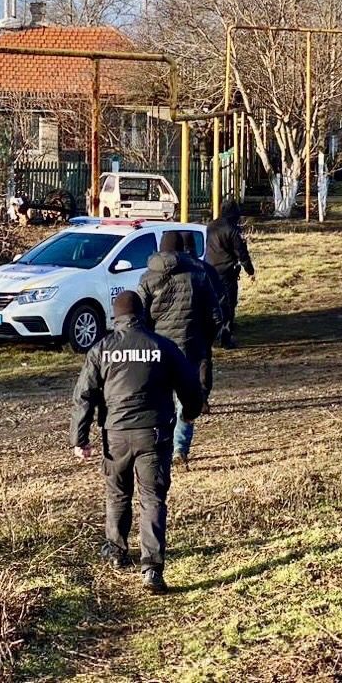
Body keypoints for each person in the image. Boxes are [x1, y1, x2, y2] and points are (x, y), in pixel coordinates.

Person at [70, 290, 204, 595]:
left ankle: (116, 551)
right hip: (153, 434)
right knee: (152, 498)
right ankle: (152, 568)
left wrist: (80, 438)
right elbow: (189, 385)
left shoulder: (101, 349)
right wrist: (191, 412)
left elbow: (84, 396)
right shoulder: (162, 346)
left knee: (117, 492)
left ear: (115, 317)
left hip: (115, 435)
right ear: (142, 315)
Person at [137, 231, 222, 466]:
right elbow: (216, 316)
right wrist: (205, 343)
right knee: (186, 399)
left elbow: (139, 318)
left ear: (160, 249)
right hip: (191, 345)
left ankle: (159, 445)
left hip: (158, 348)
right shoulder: (198, 274)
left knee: (159, 398)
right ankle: (180, 449)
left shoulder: (147, 277)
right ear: (182, 248)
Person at [205, 199, 256, 349]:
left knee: (213, 304)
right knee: (228, 305)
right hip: (227, 272)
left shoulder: (211, 226)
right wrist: (250, 271)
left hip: (210, 270)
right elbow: (241, 253)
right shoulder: (233, 230)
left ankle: (213, 335)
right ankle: (226, 338)